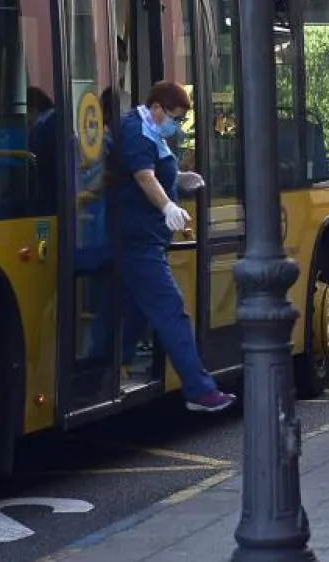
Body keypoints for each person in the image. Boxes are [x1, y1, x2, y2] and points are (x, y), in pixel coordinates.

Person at [109, 80, 235, 412]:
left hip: (146, 240)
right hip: (139, 244)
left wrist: (179, 179)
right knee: (171, 312)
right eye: (175, 119)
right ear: (157, 107)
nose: (177, 126)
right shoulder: (136, 132)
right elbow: (143, 177)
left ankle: (110, 366)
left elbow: (154, 171)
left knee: (135, 312)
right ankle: (199, 390)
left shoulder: (150, 131)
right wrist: (168, 206)